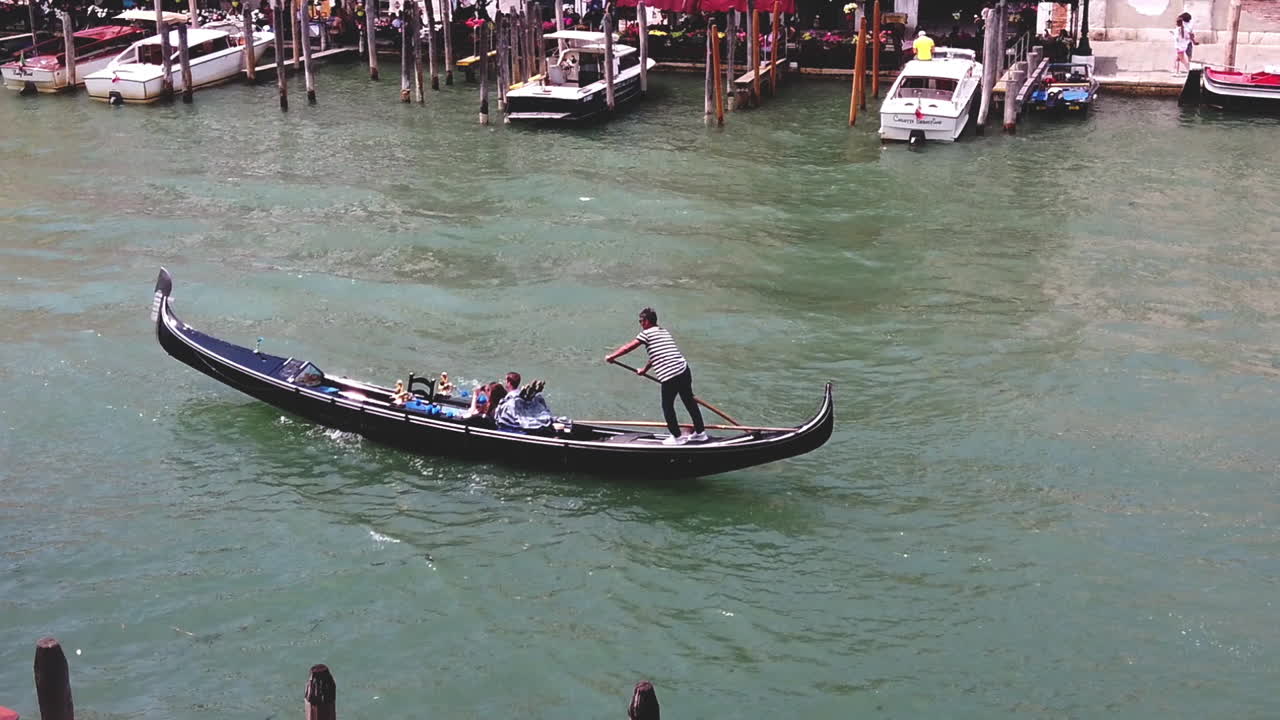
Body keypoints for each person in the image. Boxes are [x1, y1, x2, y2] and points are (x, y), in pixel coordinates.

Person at [605, 307, 707, 445]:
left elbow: (628, 347)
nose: (640, 324)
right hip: (683, 369)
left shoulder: (646, 334)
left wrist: (612, 356)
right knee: (689, 401)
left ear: (647, 321)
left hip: (670, 375)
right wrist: (645, 370)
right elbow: (657, 354)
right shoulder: (663, 332)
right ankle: (701, 433)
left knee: (667, 406)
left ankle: (677, 437)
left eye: (641, 321)